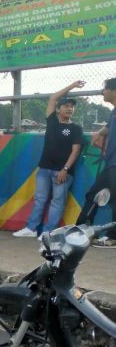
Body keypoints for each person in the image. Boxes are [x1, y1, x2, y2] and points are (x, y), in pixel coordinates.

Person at [13, 81, 85, 238]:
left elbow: (76, 150)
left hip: (63, 172)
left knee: (57, 202)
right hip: (44, 168)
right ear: (58, 109)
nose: (69, 108)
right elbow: (53, 98)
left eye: (72, 106)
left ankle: (48, 232)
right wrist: (73, 86)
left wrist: (65, 170)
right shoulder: (52, 122)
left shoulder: (76, 128)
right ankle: (31, 229)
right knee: (40, 199)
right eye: (66, 105)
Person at [76, 77, 116, 248]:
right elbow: (108, 126)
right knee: (94, 196)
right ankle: (82, 231)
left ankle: (111, 236)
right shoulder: (113, 111)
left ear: (114, 90)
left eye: (105, 89)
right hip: (110, 163)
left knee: (106, 197)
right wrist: (99, 133)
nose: (103, 92)